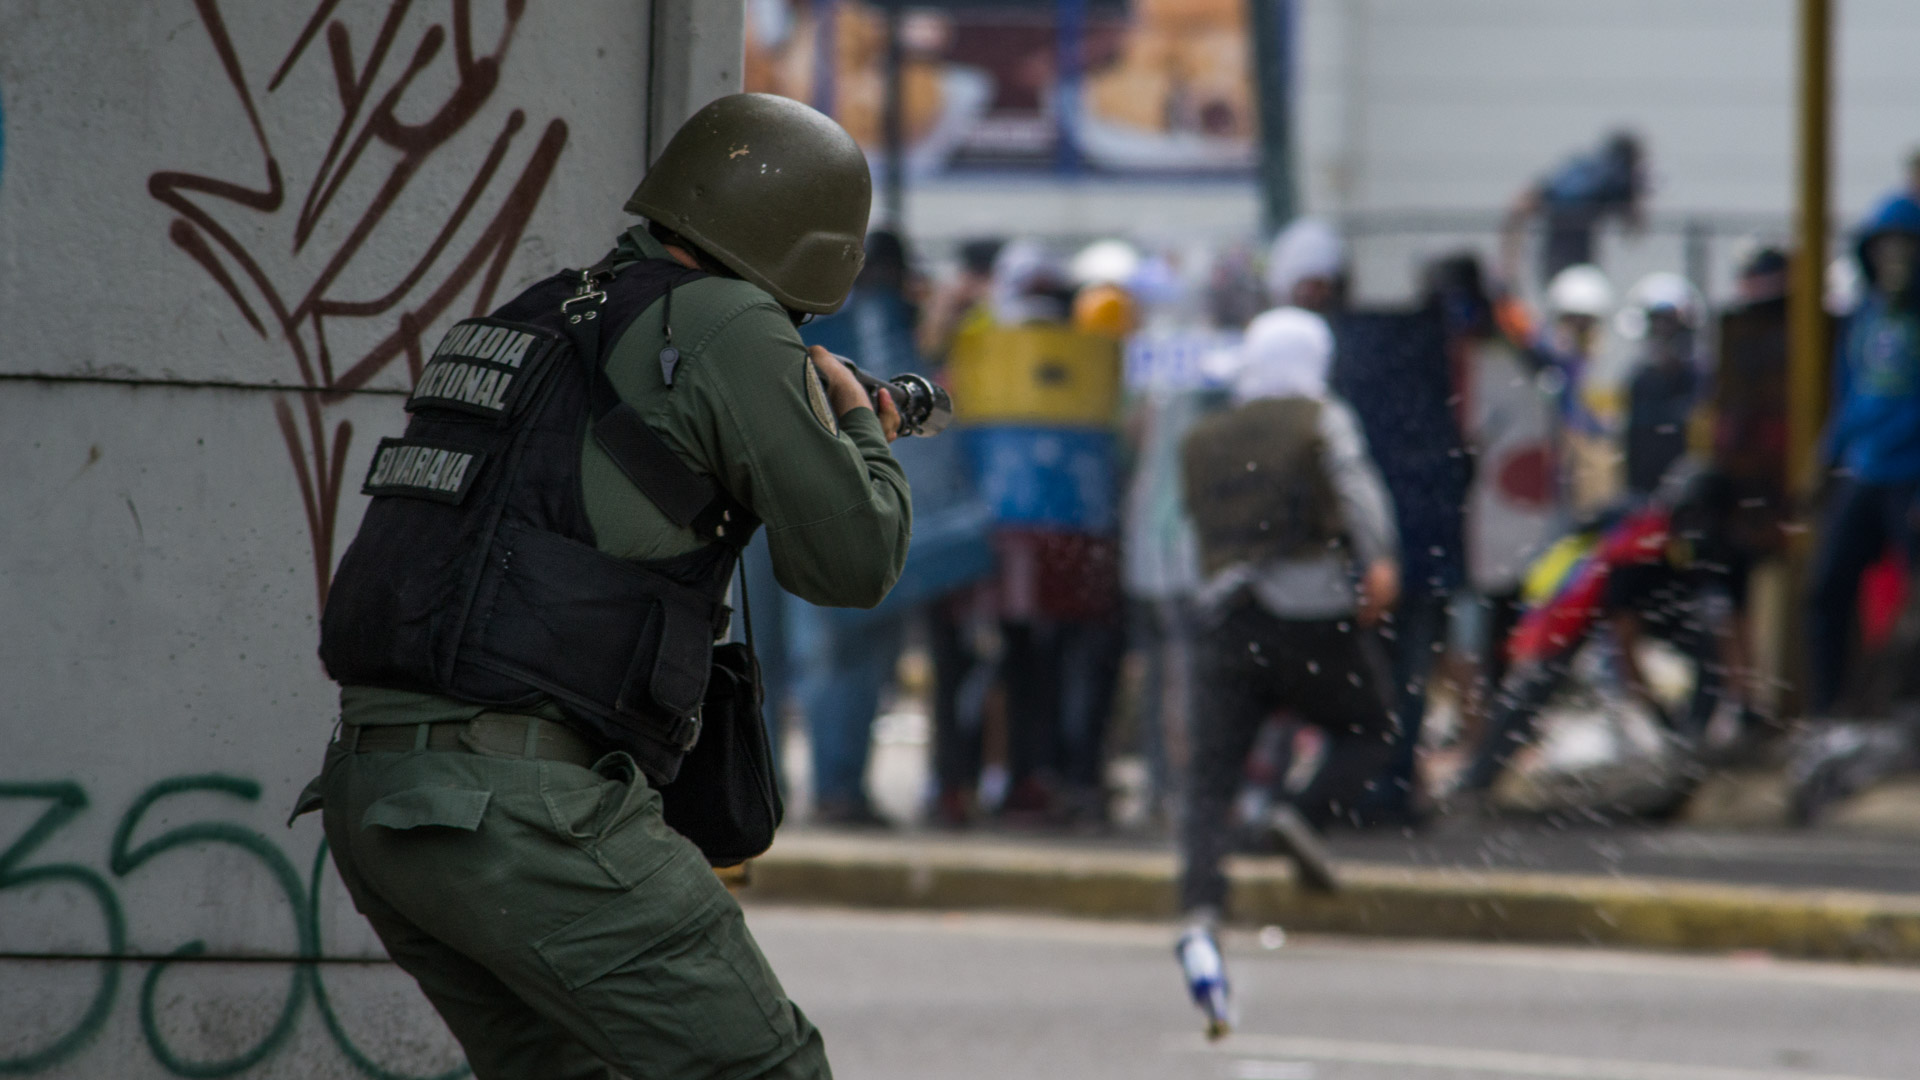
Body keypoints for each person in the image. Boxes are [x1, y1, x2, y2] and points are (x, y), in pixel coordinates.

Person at [302, 93, 909, 1080]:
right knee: (765, 1069)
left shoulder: (538, 311)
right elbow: (851, 560)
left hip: (378, 796)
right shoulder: (728, 321)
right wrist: (859, 427)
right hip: (522, 808)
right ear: (815, 244)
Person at [1177, 306, 1399, 919]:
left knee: (1210, 777)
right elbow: (1356, 490)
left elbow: (1191, 536)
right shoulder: (1319, 418)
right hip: (1310, 611)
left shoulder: (1206, 436)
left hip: (1225, 616)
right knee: (1371, 724)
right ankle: (1301, 814)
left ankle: (1200, 902)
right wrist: (1379, 560)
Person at [1808, 194, 1920, 714]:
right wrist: (1826, 457)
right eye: (1883, 251)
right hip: (1864, 467)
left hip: (1911, 472)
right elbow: (1848, 393)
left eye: (1905, 250)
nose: (1893, 262)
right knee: (1826, 587)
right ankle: (1828, 710)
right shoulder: (1865, 318)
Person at [1505, 132, 1647, 287]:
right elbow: (1632, 225)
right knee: (1574, 287)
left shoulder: (1588, 169)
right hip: (1566, 242)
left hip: (1568, 241)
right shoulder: (1610, 174)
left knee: (1573, 286)